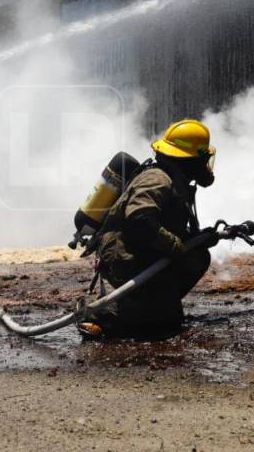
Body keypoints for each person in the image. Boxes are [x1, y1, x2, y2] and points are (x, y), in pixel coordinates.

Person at [80, 119, 216, 339]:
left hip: (140, 251)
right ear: (190, 160)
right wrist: (174, 244)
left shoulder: (174, 179)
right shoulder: (157, 179)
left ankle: (153, 306)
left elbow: (164, 224)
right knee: (159, 320)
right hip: (124, 256)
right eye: (202, 158)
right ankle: (101, 314)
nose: (205, 164)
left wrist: (200, 238)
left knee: (196, 258)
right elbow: (139, 219)